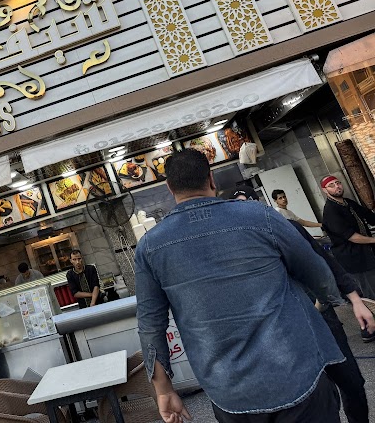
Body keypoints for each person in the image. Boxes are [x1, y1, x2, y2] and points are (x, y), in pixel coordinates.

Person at [136, 149, 344, 423]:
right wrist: (326, 301)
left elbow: (150, 325)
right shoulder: (260, 216)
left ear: (169, 188)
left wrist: (163, 390)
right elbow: (317, 273)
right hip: (296, 371)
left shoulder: (150, 246)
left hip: (228, 390)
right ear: (211, 179)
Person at [236, 183, 375, 422]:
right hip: (286, 330)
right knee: (319, 394)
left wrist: (354, 298)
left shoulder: (287, 227)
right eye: (238, 206)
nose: (245, 210)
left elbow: (324, 261)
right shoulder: (239, 244)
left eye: (247, 203)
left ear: (258, 203)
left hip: (321, 317)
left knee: (352, 381)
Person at [321, 175, 375, 299]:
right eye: (331, 185)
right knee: (372, 290)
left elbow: (370, 217)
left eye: (338, 183)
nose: (337, 187)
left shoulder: (348, 203)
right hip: (355, 258)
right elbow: (351, 237)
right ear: (325, 190)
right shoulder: (331, 211)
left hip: (368, 251)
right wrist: (373, 240)